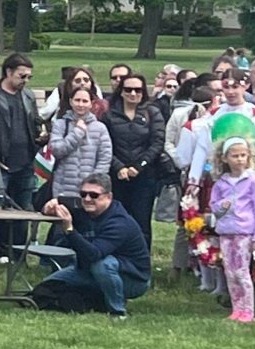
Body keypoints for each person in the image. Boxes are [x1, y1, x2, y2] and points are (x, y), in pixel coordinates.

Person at [35, 175, 151, 316]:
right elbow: (64, 202)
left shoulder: (119, 222)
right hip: (90, 270)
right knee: (48, 284)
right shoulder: (84, 209)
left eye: (94, 195)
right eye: (83, 194)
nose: (87, 199)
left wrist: (69, 229)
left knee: (102, 264)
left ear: (109, 196)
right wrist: (51, 205)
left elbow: (93, 255)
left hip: (133, 279)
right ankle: (97, 300)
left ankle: (117, 311)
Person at [0, 53, 42, 263]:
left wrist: (40, 137)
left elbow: (34, 123)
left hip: (25, 161)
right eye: (22, 76)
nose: (25, 81)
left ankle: (17, 255)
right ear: (8, 72)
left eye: (28, 77)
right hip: (0, 161)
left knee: (22, 209)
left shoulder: (28, 96)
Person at [101, 71, 166, 247]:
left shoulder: (153, 113)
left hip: (145, 176)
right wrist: (118, 167)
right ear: (121, 91)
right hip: (117, 176)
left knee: (142, 222)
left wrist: (139, 166)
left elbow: (157, 143)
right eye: (128, 89)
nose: (133, 93)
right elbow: (105, 145)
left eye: (138, 90)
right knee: (117, 220)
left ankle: (141, 259)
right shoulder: (109, 115)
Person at [209, 136, 255, 322]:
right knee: (230, 272)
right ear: (225, 158)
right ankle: (236, 309)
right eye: (235, 156)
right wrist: (222, 206)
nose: (240, 159)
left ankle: (248, 311)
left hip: (245, 232)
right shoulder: (221, 183)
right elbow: (214, 208)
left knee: (242, 272)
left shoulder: (253, 182)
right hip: (226, 232)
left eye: (243, 155)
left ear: (249, 156)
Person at [49, 83, 114, 220]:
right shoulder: (60, 125)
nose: (81, 104)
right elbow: (57, 150)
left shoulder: (100, 128)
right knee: (62, 225)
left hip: (89, 191)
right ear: (71, 101)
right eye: (77, 100)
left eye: (85, 101)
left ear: (91, 104)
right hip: (63, 187)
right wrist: (77, 132)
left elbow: (105, 158)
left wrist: (93, 183)